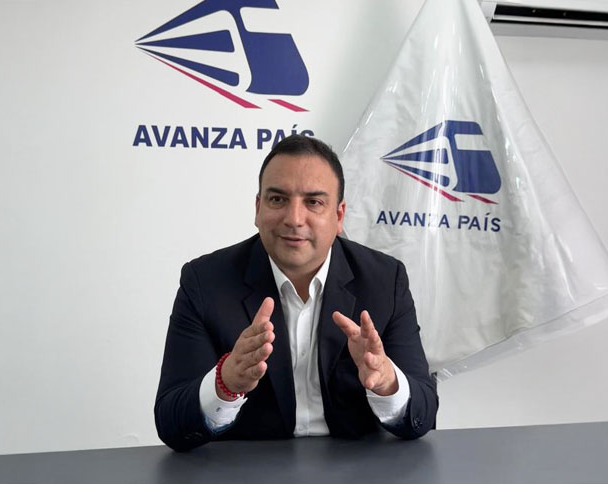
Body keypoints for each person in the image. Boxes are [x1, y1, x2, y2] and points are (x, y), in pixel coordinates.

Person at [155, 135, 438, 451]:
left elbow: (423, 414)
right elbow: (170, 422)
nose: (294, 219)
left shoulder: (384, 280)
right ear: (258, 208)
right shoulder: (205, 281)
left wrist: (387, 382)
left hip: (356, 467)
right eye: (277, 199)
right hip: (247, 468)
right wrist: (225, 383)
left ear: (339, 216)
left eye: (314, 202)